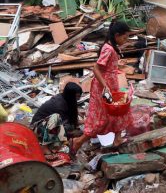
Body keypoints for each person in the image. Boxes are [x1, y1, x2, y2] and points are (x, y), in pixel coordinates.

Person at [71, 21, 133, 153]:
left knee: (119, 111)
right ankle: (79, 141)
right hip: (104, 87)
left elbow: (107, 65)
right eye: (124, 37)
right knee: (101, 118)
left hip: (111, 85)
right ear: (116, 35)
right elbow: (96, 68)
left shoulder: (112, 47)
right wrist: (106, 86)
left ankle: (117, 138)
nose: (126, 40)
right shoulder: (108, 48)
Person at [31, 82, 83, 154]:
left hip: (47, 125)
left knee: (76, 131)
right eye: (77, 96)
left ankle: (55, 143)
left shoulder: (66, 99)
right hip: (37, 128)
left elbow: (72, 119)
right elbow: (63, 125)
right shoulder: (58, 105)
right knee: (58, 119)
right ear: (70, 95)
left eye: (79, 96)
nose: (78, 98)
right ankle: (44, 147)